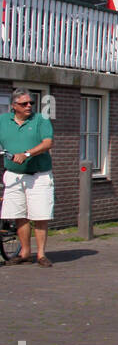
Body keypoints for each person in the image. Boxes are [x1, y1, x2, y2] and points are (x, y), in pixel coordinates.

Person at [1, 89, 56, 267]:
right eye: (24, 104)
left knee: (40, 214)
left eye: (31, 103)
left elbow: (47, 143)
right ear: (13, 106)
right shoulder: (3, 121)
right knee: (19, 215)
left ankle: (41, 254)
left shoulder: (41, 120)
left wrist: (26, 154)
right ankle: (25, 252)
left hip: (38, 175)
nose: (29, 106)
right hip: (14, 175)